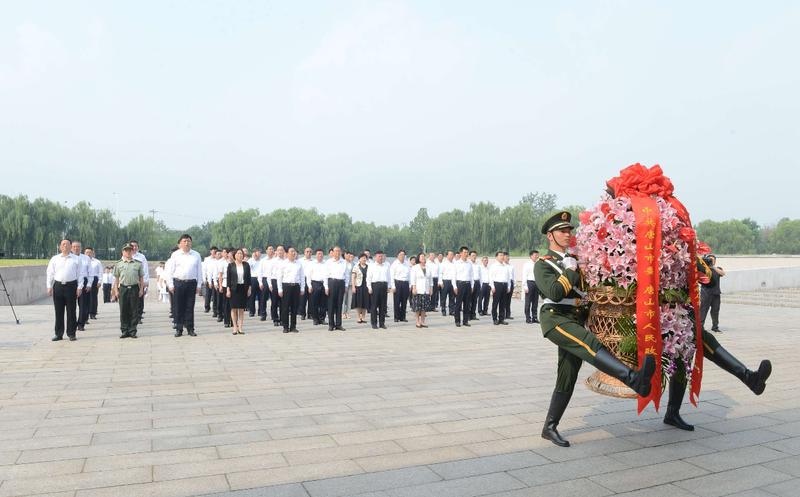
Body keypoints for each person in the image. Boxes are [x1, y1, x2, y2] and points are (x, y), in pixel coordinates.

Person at [536, 211, 656, 447]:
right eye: (562, 231)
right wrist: (570, 270)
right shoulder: (544, 264)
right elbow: (555, 293)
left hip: (575, 317)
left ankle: (549, 427)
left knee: (567, 374)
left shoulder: (576, 259)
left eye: (569, 230)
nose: (568, 234)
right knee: (589, 344)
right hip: (555, 319)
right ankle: (634, 379)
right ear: (550, 236)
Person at [661, 255, 772, 432]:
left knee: (687, 357)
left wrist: (692, 258)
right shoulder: (654, 246)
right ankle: (749, 378)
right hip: (660, 315)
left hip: (681, 315)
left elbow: (709, 278)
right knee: (693, 350)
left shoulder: (687, 252)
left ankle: (672, 413)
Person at [165, 234, 203, 337]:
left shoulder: (196, 255)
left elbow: (199, 271)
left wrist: (199, 285)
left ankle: (190, 328)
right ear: (180, 243)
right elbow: (169, 271)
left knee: (190, 307)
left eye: (189, 241)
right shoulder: (175, 255)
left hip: (191, 283)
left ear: (191, 243)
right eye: (184, 241)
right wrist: (170, 285)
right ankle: (179, 328)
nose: (187, 243)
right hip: (179, 283)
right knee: (178, 306)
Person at [46, 239, 83, 341]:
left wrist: (79, 287)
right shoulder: (55, 259)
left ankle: (71, 333)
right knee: (58, 311)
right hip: (58, 286)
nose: (65, 246)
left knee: (71, 310)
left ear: (71, 246)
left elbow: (81, 274)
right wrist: (49, 286)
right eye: (63, 244)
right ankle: (58, 333)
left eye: (67, 244)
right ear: (60, 247)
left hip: (71, 286)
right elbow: (50, 273)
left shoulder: (76, 259)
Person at [112, 244, 145, 339]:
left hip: (134, 288)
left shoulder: (138, 264)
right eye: (126, 250)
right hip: (123, 288)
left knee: (134, 310)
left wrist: (141, 289)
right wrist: (116, 291)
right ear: (123, 252)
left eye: (130, 250)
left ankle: (132, 330)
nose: (128, 252)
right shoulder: (119, 264)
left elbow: (141, 278)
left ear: (132, 252)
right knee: (123, 310)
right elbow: (116, 279)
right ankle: (124, 330)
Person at [277, 246, 305, 333]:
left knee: (294, 307)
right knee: (285, 307)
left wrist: (302, 288)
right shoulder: (283, 264)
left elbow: (302, 277)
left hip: (296, 286)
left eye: (294, 252)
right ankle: (285, 326)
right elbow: (279, 277)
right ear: (287, 253)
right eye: (291, 251)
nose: (293, 253)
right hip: (286, 287)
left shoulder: (299, 264)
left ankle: (293, 326)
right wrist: (280, 289)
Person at [226, 248, 252, 335]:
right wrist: (228, 290)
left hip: (243, 288)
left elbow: (249, 278)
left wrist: (249, 288)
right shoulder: (231, 265)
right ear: (234, 255)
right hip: (234, 289)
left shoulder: (246, 265)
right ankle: (234, 327)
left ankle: (240, 327)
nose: (240, 255)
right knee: (233, 308)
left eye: (241, 253)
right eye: (238, 253)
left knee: (241, 309)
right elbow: (228, 279)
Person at [325, 246, 349, 331]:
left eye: (339, 251)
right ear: (333, 252)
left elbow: (347, 275)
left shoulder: (344, 262)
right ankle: (331, 324)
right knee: (331, 305)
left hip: (341, 283)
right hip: (332, 283)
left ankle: (339, 324)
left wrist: (346, 286)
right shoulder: (328, 262)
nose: (338, 253)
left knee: (339, 304)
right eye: (336, 251)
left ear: (341, 252)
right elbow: (325, 275)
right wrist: (326, 287)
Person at [699, 254, 725, 333]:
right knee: (703, 310)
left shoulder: (718, 269)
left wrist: (713, 266)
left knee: (715, 311)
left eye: (712, 260)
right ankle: (700, 327)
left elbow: (723, 273)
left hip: (716, 294)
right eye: (709, 259)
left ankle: (715, 327)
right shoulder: (703, 269)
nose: (710, 261)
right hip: (705, 293)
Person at [367, 251, 393, 329]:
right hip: (375, 286)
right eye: (379, 256)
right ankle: (374, 323)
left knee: (383, 306)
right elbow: (368, 278)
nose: (380, 258)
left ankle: (382, 323)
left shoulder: (386, 266)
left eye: (382, 256)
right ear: (375, 257)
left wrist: (389, 286)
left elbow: (389, 277)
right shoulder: (371, 266)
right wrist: (369, 287)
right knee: (374, 306)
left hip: (384, 285)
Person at [71, 240, 91, 331]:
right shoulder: (69, 258)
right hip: (72, 282)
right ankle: (72, 323)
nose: (76, 248)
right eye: (74, 246)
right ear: (71, 248)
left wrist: (89, 284)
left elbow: (90, 272)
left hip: (84, 281)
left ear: (81, 248)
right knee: (71, 305)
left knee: (83, 305)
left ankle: (81, 323)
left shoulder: (86, 258)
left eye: (78, 246)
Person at [451, 246, 473, 327]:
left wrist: (472, 286)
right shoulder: (456, 263)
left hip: (468, 284)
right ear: (460, 253)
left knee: (467, 304)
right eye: (464, 252)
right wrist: (455, 287)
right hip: (460, 284)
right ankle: (457, 321)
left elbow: (471, 275)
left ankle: (465, 321)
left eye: (467, 252)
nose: (466, 254)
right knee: (458, 304)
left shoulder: (469, 263)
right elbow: (453, 276)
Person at [410, 252, 434, 328]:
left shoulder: (428, 268)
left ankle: (422, 322)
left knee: (424, 307)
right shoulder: (415, 267)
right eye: (421, 257)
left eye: (424, 257)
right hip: (418, 289)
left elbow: (431, 280)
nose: (423, 258)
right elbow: (413, 279)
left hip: (426, 289)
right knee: (418, 307)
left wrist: (431, 288)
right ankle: (417, 322)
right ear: (419, 259)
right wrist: (414, 288)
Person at [129, 240, 149, 325]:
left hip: (139, 282)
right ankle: (131, 316)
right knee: (130, 300)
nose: (134, 247)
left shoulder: (141, 257)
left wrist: (145, 281)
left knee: (140, 300)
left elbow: (145, 269)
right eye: (132, 246)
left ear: (138, 247)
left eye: (136, 246)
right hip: (129, 282)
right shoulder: (126, 256)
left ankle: (139, 317)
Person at [306, 248, 328, 325]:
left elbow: (327, 275)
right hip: (314, 284)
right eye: (318, 254)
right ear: (316, 255)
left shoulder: (326, 264)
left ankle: (322, 318)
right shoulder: (312, 264)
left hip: (323, 284)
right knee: (314, 303)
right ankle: (315, 318)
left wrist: (326, 287)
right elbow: (308, 276)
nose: (320, 255)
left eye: (321, 254)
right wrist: (309, 286)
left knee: (323, 303)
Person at [489, 251, 512, 325]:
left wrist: (508, 286)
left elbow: (508, 277)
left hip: (504, 285)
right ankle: (495, 319)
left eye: (503, 255)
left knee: (503, 303)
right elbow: (490, 277)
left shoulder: (506, 266)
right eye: (500, 255)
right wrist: (492, 286)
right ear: (496, 257)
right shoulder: (493, 266)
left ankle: (501, 319)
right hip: (497, 285)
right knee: (495, 303)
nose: (502, 257)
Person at [391, 250, 411, 322]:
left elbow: (409, 275)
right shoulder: (395, 264)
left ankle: (403, 317)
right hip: (397, 283)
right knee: (397, 301)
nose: (402, 256)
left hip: (405, 283)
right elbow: (391, 276)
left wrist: (410, 285)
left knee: (404, 301)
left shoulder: (407, 264)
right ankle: (396, 317)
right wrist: (393, 286)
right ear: (397, 256)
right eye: (401, 255)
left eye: (403, 255)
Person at [269, 245, 286, 327]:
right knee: (274, 301)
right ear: (276, 251)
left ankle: (283, 319)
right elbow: (269, 274)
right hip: (274, 281)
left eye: (281, 250)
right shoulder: (273, 261)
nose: (280, 251)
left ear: (284, 251)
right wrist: (269, 284)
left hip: (284, 282)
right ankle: (275, 318)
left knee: (283, 302)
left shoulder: (286, 261)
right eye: (278, 250)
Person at [351, 253, 370, 324]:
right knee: (358, 302)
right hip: (358, 286)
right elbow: (353, 277)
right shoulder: (356, 267)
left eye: (365, 258)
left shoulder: (369, 267)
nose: (364, 259)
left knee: (365, 302)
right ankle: (358, 317)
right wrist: (353, 286)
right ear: (359, 259)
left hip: (366, 286)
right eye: (362, 258)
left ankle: (363, 317)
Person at [523, 250, 540, 324]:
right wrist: (525, 286)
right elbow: (524, 276)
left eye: (537, 255)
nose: (537, 256)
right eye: (535, 255)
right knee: (528, 302)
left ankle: (534, 317)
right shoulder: (527, 264)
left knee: (535, 302)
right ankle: (528, 318)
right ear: (531, 256)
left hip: (537, 283)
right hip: (529, 283)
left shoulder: (538, 264)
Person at [257, 245, 274, 321]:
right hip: (265, 279)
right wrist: (260, 282)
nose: (271, 250)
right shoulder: (263, 261)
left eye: (272, 249)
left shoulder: (276, 260)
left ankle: (274, 315)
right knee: (263, 298)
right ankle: (263, 314)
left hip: (273, 280)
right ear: (266, 251)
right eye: (269, 249)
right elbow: (259, 272)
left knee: (274, 299)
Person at [86, 247, 103, 320]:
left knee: (93, 297)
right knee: (85, 298)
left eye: (90, 252)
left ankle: (93, 313)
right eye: (87, 252)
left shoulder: (97, 262)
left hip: (94, 280)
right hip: (85, 280)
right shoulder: (82, 261)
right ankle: (85, 315)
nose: (88, 254)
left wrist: (99, 281)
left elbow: (100, 272)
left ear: (93, 253)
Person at [439, 251, 456, 316]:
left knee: (452, 297)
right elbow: (440, 273)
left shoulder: (454, 264)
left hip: (452, 282)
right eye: (450, 254)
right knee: (444, 297)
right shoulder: (443, 264)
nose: (452, 256)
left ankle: (451, 310)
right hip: (445, 281)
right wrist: (440, 282)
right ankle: (443, 310)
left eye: (452, 254)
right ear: (447, 256)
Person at [247, 248, 263, 318]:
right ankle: (252, 311)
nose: (258, 254)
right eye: (257, 252)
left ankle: (260, 311)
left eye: (259, 252)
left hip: (260, 278)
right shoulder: (250, 260)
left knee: (261, 296)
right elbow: (248, 268)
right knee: (252, 296)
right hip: (253, 278)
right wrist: (253, 258)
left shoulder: (262, 261)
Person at [299, 247, 314, 320]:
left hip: (311, 280)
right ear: (304, 252)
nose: (308, 253)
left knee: (311, 299)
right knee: (303, 299)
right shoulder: (300, 261)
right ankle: (302, 314)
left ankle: (310, 314)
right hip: (303, 280)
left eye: (310, 252)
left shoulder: (313, 261)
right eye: (307, 251)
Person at [203, 247, 218, 314]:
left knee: (215, 295)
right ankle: (207, 307)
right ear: (210, 251)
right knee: (208, 294)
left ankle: (215, 309)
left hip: (216, 278)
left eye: (215, 251)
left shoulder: (218, 259)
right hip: (208, 277)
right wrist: (204, 278)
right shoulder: (207, 259)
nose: (214, 252)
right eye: (213, 251)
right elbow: (204, 270)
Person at [469, 250, 481, 321]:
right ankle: (468, 315)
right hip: (470, 284)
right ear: (470, 256)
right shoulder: (468, 264)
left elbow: (480, 275)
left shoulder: (478, 265)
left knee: (475, 300)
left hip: (477, 283)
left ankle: (473, 314)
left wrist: (481, 284)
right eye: (473, 255)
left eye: (475, 255)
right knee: (468, 300)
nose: (474, 257)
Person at [343, 251, 354, 320]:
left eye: (351, 256)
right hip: (343, 284)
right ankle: (343, 313)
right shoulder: (342, 263)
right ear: (345, 255)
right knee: (343, 299)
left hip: (351, 284)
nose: (349, 257)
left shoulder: (353, 264)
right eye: (348, 255)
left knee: (350, 299)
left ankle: (348, 313)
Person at [504, 252, 515, 320]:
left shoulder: (511, 266)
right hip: (505, 283)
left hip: (511, 282)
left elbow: (513, 276)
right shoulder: (502, 266)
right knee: (503, 300)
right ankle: (503, 314)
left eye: (508, 256)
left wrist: (514, 283)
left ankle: (508, 314)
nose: (508, 258)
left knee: (509, 300)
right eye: (506, 256)